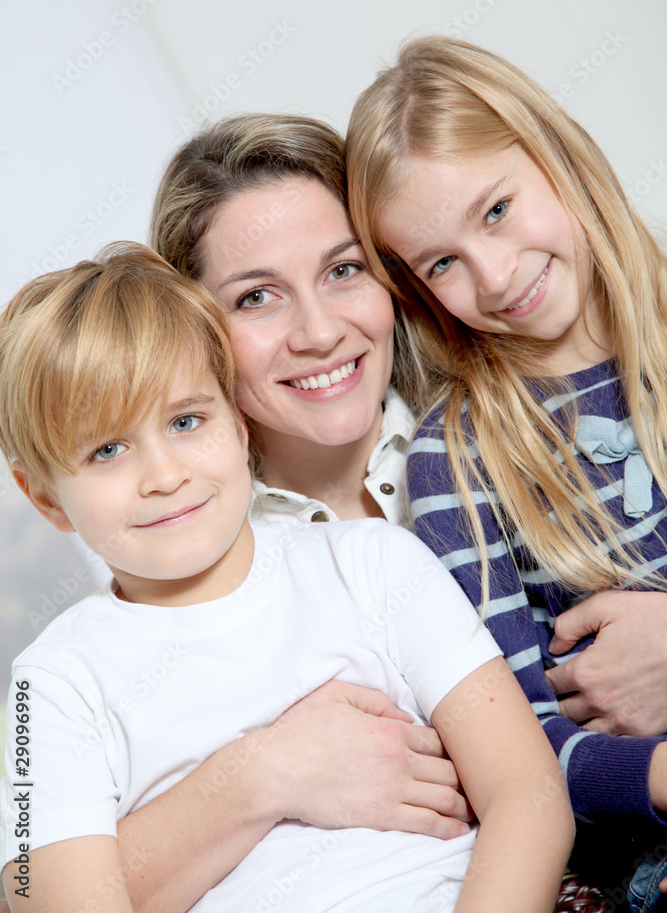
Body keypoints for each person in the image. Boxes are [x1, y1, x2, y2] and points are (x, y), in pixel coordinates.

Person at [0, 243, 574, 913]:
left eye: (187, 421)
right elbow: (43, 901)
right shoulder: (53, 684)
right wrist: (258, 775)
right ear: (44, 498)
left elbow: (526, 795)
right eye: (107, 450)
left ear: (239, 424)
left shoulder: (371, 562)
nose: (163, 476)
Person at [345, 33, 667, 907]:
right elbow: (526, 761)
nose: (491, 276)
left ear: (554, 154)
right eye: (440, 263)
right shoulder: (455, 463)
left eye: (495, 210)